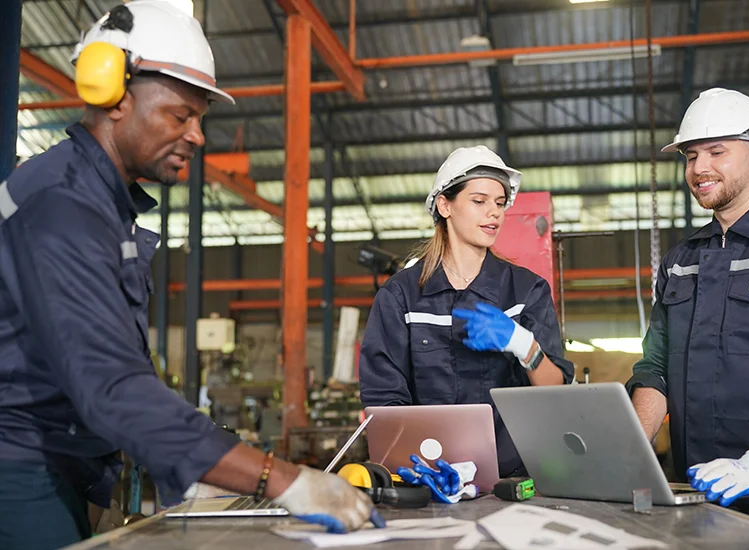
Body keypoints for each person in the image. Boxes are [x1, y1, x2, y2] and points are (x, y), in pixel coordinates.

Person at [0, 3, 381, 548]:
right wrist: (282, 478)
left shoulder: (101, 206)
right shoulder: (63, 208)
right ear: (115, 95)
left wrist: (204, 453)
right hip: (17, 465)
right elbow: (113, 388)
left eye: (200, 118)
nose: (198, 136)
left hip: (56, 462)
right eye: (181, 115)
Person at [626, 87, 749, 519]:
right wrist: (627, 455)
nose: (700, 168)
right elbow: (655, 368)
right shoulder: (682, 260)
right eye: (690, 156)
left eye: (717, 152)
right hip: (694, 487)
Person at [359, 145, 575, 479]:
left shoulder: (525, 290)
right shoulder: (400, 296)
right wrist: (408, 469)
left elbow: (556, 390)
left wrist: (522, 344)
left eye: (500, 203)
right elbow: (384, 400)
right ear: (445, 205)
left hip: (512, 478)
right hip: (428, 477)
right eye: (479, 201)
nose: (495, 213)